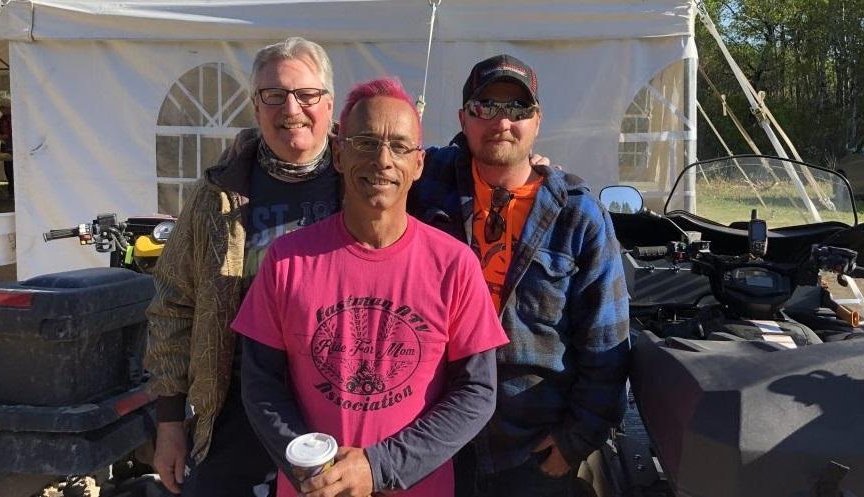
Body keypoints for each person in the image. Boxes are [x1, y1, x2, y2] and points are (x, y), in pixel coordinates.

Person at [233, 77, 508, 497]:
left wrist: (379, 468)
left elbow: (477, 393)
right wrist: (312, 467)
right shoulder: (287, 260)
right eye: (365, 143)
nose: (382, 160)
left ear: (418, 164)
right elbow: (261, 385)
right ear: (339, 154)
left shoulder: (454, 264)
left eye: (399, 147)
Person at [409, 54, 632, 497]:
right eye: (485, 106)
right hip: (434, 437)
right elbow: (362, 148)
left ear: (537, 121)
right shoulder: (425, 185)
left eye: (517, 109)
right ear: (463, 118)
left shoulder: (578, 215)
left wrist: (576, 441)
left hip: (531, 447)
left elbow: (607, 342)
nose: (502, 121)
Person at [143, 37, 342, 496]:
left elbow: (431, 164)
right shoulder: (218, 195)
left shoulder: (363, 180)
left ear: (328, 104)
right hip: (235, 408)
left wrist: (533, 172)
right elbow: (174, 305)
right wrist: (171, 423)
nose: (291, 108)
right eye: (274, 95)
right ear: (256, 106)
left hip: (335, 409)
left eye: (307, 95)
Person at [0, 102, 14, 197]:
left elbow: (15, 130)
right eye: (1, 109)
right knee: (7, 169)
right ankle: (10, 191)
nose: (2, 111)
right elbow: (0, 129)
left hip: (12, 145)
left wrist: (7, 136)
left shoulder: (14, 117)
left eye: (3, 108)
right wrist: (2, 136)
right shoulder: (2, 118)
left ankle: (14, 191)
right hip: (5, 145)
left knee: (12, 169)